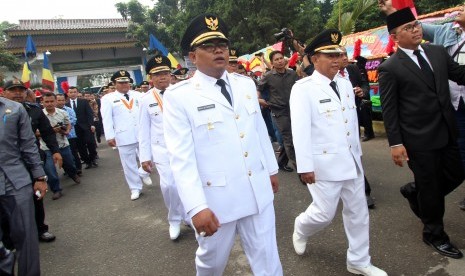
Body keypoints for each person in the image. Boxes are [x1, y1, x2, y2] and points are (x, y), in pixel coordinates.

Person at [164, 13, 282, 275]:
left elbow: (258, 131)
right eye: (208, 46)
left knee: (267, 256)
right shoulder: (179, 97)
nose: (218, 50)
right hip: (216, 198)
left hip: (256, 189)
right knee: (211, 263)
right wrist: (196, 206)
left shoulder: (245, 85)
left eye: (222, 45)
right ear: (193, 57)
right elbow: (181, 157)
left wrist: (271, 170)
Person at [290, 30, 387, 276]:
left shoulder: (344, 84)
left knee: (358, 212)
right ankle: (301, 227)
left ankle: (358, 260)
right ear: (314, 59)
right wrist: (305, 166)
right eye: (329, 54)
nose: (336, 59)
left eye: (338, 54)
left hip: (351, 160)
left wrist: (358, 155)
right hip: (323, 163)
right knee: (324, 213)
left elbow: (350, 124)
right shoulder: (303, 88)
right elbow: (300, 130)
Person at [378, 7, 465, 259]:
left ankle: (416, 193)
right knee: (430, 185)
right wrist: (395, 144)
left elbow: (459, 75)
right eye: (408, 28)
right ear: (395, 37)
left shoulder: (437, 52)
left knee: (457, 173)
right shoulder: (390, 68)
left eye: (416, 25)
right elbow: (390, 110)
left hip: (447, 131)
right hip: (418, 139)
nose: (415, 30)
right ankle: (434, 234)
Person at [0, 81, 49, 275]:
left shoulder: (14, 109)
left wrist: (39, 176)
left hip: (16, 180)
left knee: (26, 236)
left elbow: (29, 145)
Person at [2, 81, 59, 242]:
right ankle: (9, 237)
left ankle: (41, 229)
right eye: (13, 90)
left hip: (30, 160)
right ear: (4, 92)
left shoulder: (34, 111)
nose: (18, 93)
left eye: (21, 90)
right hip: (6, 165)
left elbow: (47, 132)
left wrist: (55, 151)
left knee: (36, 196)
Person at [139, 55, 188, 240]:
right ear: (151, 77)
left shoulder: (181, 92)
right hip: (162, 149)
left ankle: (188, 215)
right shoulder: (145, 99)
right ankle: (174, 219)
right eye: (158, 74)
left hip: (184, 146)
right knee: (169, 186)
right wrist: (145, 156)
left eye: (166, 73)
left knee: (186, 182)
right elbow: (143, 130)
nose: (163, 77)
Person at [100, 70, 151, 200]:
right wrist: (110, 136)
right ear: (114, 83)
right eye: (121, 82)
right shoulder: (108, 99)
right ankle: (135, 188)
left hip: (142, 133)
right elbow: (107, 119)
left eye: (126, 82)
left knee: (151, 156)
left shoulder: (139, 95)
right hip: (123, 135)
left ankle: (143, 172)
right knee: (128, 164)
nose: (124, 85)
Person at [338, 47, 376, 209]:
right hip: (338, 123)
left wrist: (363, 91)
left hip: (355, 118)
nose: (344, 58)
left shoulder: (352, 69)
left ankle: (361, 191)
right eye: (338, 55)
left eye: (345, 54)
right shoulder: (326, 77)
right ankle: (362, 191)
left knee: (355, 156)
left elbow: (364, 84)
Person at [257, 50, 298, 172]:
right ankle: (299, 167)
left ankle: (281, 162)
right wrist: (258, 100)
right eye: (276, 59)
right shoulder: (268, 76)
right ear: (272, 63)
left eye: (281, 58)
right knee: (288, 138)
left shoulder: (292, 74)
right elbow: (258, 88)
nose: (280, 61)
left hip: (294, 110)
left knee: (293, 137)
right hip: (278, 112)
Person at [40, 92, 80, 196]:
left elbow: (68, 124)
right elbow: (34, 132)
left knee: (70, 164)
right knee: (50, 170)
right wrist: (51, 131)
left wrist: (66, 131)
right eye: (46, 102)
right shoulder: (39, 115)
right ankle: (56, 190)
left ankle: (73, 174)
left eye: (52, 101)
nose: (49, 104)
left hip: (62, 144)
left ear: (55, 101)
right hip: (46, 147)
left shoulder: (62, 112)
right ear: (42, 102)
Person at [66, 86, 98, 169]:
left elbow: (89, 113)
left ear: (77, 93)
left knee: (90, 142)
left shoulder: (83, 102)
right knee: (80, 146)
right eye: (71, 92)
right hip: (74, 128)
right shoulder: (66, 104)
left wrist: (92, 124)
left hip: (86, 126)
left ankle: (93, 158)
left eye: (74, 92)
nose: (73, 94)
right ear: (68, 94)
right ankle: (87, 161)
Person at [56, 93, 82, 175]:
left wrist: (65, 128)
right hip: (58, 137)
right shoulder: (53, 111)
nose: (61, 102)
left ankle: (78, 168)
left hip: (70, 135)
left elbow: (73, 120)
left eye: (62, 100)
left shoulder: (69, 110)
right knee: (63, 155)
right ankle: (68, 170)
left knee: (73, 152)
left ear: (65, 100)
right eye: (59, 100)